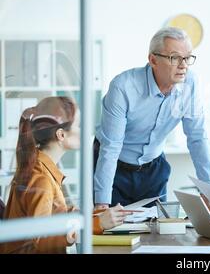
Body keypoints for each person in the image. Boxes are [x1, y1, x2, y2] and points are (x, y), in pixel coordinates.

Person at [93, 27, 210, 212]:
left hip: (153, 168)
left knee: (157, 229)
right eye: (175, 58)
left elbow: (197, 138)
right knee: (114, 233)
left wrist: (207, 191)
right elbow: (111, 147)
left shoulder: (190, 83)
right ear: (153, 59)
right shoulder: (123, 87)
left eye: (187, 58)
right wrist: (101, 203)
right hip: (114, 167)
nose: (183, 65)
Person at [1, 97, 131, 254]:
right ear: (61, 135)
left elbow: (52, 215)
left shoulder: (40, 168)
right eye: (78, 125)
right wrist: (97, 224)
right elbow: (40, 240)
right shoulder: (41, 180)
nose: (83, 131)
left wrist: (94, 216)